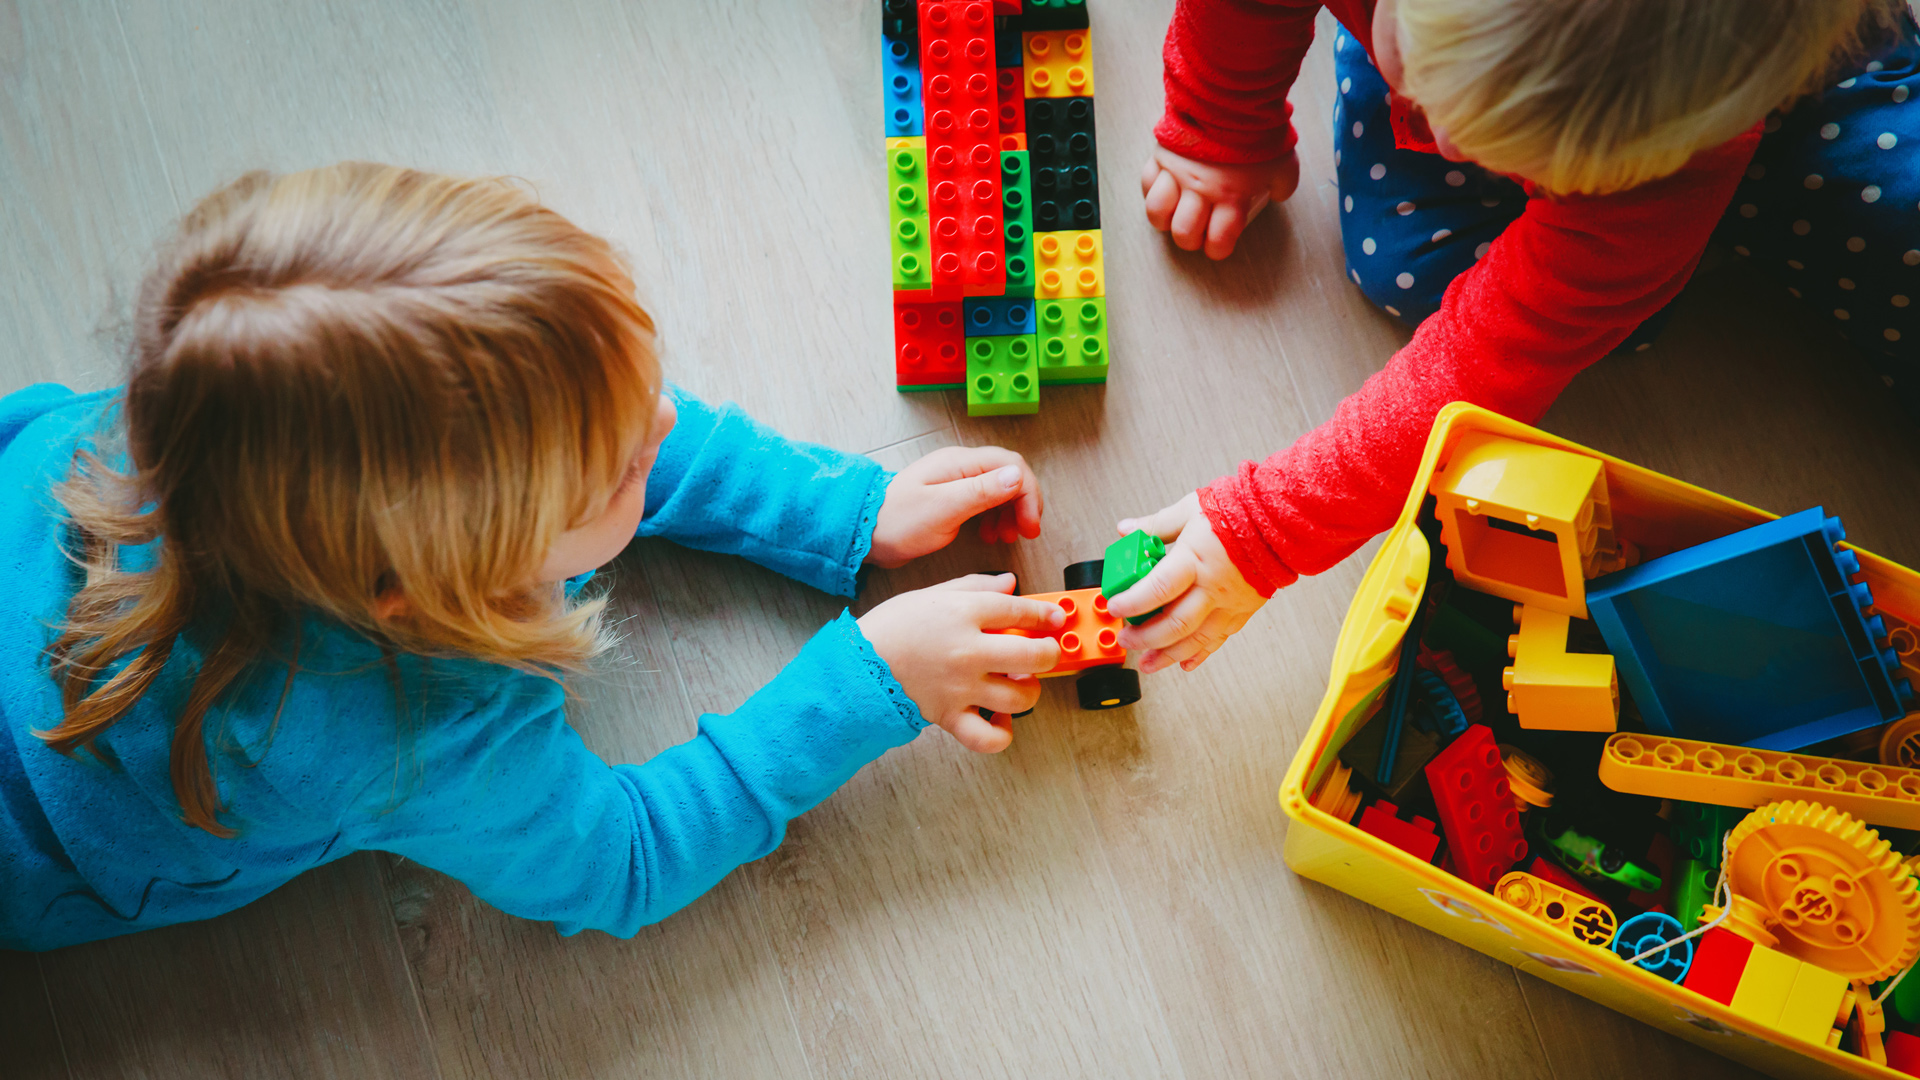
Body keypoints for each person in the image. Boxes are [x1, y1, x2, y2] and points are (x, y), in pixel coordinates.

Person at [0, 163, 1065, 951]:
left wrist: (832, 508)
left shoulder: (220, 391)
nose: (662, 420)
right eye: (613, 471)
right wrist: (870, 681)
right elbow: (623, 862)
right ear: (448, 586)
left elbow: (596, 419)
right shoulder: (426, 725)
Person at [1112, 0, 1919, 671]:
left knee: (1896, 217)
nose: (1454, 145)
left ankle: (1652, 228)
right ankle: (1613, 235)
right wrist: (1220, 122)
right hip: (1566, 97)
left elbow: (1495, 351)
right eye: (1435, 90)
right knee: (1402, 262)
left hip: (1779, 91)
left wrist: (1268, 528)